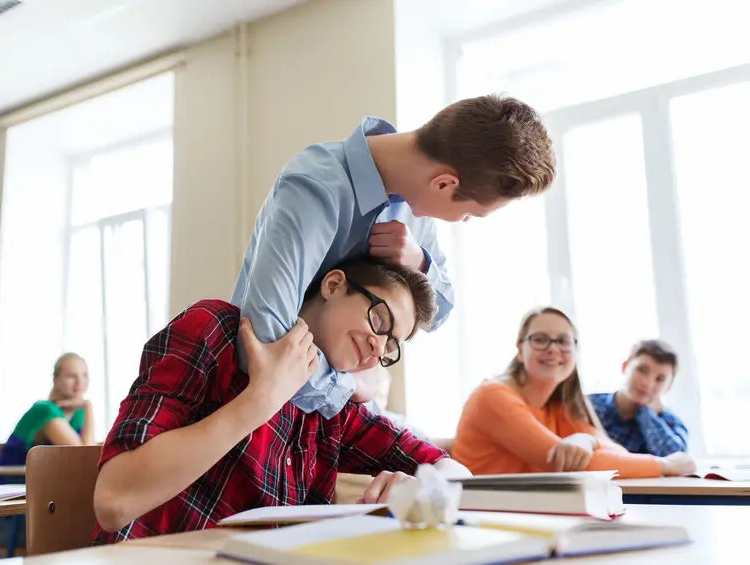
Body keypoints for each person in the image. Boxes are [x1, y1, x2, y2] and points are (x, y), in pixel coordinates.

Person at [93, 259, 471, 543]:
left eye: (392, 347)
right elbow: (113, 500)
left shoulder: (333, 404)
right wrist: (261, 398)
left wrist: (424, 485)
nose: (378, 346)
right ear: (335, 285)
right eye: (380, 319)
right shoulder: (216, 329)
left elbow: (458, 474)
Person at [232, 94, 556, 419]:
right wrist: (350, 385)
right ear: (444, 183)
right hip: (260, 416)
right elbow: (262, 342)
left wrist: (419, 263)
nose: (463, 221)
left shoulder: (415, 208)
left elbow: (439, 311)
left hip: (331, 420)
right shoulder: (314, 189)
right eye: (471, 214)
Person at [451, 307, 695, 478]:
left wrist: (586, 439)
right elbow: (570, 463)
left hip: (523, 512)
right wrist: (663, 464)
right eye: (540, 339)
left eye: (563, 341)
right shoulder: (493, 396)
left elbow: (614, 451)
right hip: (480, 516)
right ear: (519, 348)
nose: (553, 349)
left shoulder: (557, 403)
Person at [0, 353, 96, 549]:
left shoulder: (76, 414)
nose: (80, 381)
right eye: (72, 375)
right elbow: (85, 454)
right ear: (55, 378)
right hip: (12, 520)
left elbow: (86, 460)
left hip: (45, 512)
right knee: (92, 533)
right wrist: (89, 406)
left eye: (85, 375)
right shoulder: (44, 410)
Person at [589, 340, 688, 456]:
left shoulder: (671, 423)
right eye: (642, 370)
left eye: (660, 379)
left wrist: (647, 414)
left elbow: (677, 459)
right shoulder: (589, 405)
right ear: (625, 367)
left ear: (668, 387)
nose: (648, 383)